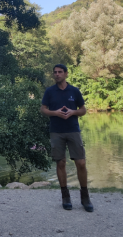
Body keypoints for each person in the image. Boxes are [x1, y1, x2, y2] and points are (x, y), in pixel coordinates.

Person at [40, 64, 93, 212]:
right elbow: (43, 109)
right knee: (61, 163)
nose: (57, 74)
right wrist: (55, 113)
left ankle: (85, 196)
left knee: (81, 163)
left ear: (66, 74)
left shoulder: (74, 91)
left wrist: (72, 112)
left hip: (73, 131)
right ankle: (65, 196)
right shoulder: (50, 91)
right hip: (56, 131)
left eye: (60, 72)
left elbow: (83, 110)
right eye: (55, 72)